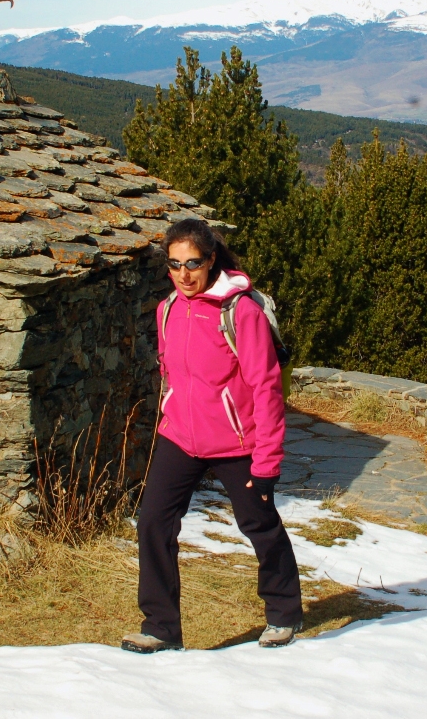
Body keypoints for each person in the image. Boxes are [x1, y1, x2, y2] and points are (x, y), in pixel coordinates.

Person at [122, 218, 302, 653]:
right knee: (152, 523)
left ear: (211, 260)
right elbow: (171, 372)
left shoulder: (240, 312)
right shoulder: (166, 309)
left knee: (259, 523)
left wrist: (266, 463)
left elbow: (267, 389)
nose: (184, 274)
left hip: (236, 443)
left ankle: (283, 614)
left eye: (193, 263)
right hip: (180, 437)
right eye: (175, 264)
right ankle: (160, 628)